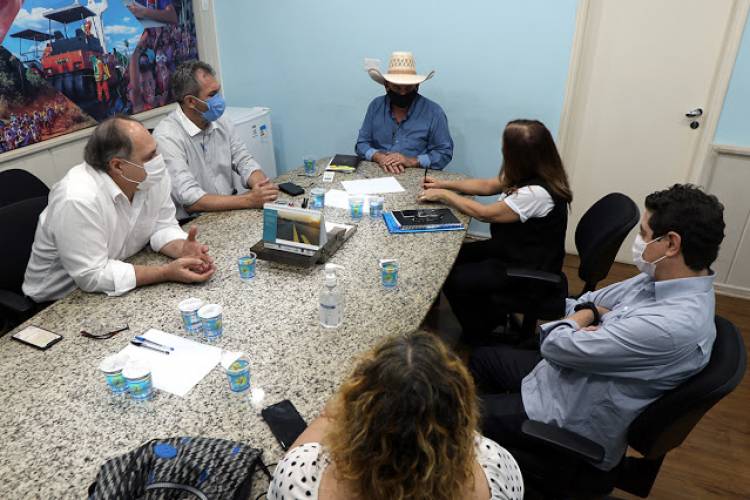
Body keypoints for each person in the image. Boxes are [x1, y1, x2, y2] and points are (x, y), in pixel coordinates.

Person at [469, 184, 725, 471]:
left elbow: (554, 343)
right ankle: (486, 454)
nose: (639, 241)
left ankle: (483, 461)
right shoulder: (659, 277)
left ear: (672, 244)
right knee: (482, 359)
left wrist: (585, 319)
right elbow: (589, 301)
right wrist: (589, 316)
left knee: (450, 417)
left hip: (568, 417)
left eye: (643, 233)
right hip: (565, 376)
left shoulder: (670, 325)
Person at [268, 332, 524, 500]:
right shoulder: (496, 469)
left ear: (358, 424)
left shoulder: (299, 481)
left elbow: (297, 454)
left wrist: (330, 414)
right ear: (461, 416)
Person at [22, 116, 215, 303]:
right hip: (57, 302)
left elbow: (161, 225)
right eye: (150, 156)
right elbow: (92, 275)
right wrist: (165, 273)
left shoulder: (149, 176)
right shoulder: (78, 198)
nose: (159, 160)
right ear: (118, 166)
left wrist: (182, 248)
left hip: (116, 277)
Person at [418, 119, 572, 339]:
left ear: (520, 156)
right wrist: (444, 184)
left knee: (456, 278)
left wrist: (445, 196)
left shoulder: (536, 193)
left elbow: (485, 213)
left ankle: (480, 331)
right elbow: (487, 186)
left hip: (527, 266)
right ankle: (487, 315)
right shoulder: (530, 172)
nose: (502, 150)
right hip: (512, 249)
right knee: (448, 259)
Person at [153, 61, 279, 221]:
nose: (219, 100)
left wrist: (261, 186)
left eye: (218, 92)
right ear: (191, 101)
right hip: (193, 222)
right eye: (212, 95)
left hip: (230, 208)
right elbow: (190, 199)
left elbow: (243, 159)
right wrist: (249, 200)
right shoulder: (166, 136)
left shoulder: (221, 120)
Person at [355, 51, 453, 174]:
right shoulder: (376, 106)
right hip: (377, 173)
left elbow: (444, 152)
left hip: (416, 175)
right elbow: (362, 144)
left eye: (408, 87)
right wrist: (378, 157)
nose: (403, 93)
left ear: (417, 86)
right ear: (386, 85)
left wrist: (412, 161)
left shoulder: (434, 112)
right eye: (397, 87)